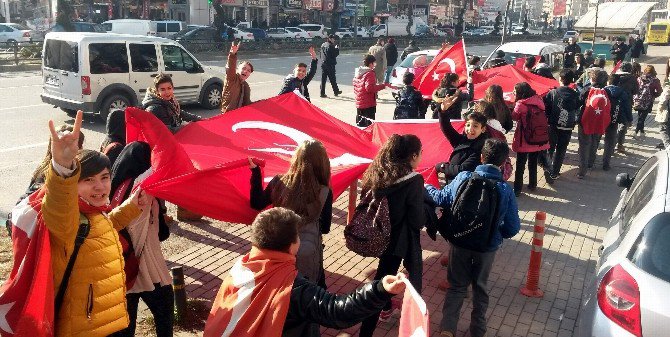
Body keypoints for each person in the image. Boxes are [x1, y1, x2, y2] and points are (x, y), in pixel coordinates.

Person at [203, 208, 407, 337]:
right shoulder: (292, 287)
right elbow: (337, 312)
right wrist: (380, 289)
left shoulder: (240, 268)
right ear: (293, 245)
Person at [44, 111, 147, 336]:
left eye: (105, 177)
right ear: (73, 185)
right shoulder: (68, 220)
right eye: (88, 180)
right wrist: (62, 168)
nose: (100, 187)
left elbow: (105, 227)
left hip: (111, 321)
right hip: (86, 329)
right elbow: (58, 204)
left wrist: (131, 206)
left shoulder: (93, 214)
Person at [425, 138, 520, 337]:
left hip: (460, 242)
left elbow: (441, 198)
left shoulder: (463, 177)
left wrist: (426, 186)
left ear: (481, 157)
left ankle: (447, 330)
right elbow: (512, 228)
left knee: (457, 287)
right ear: (503, 164)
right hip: (486, 248)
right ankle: (477, 330)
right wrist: (494, 233)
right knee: (480, 289)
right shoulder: (505, 190)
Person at [358, 134, 425, 337]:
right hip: (396, 242)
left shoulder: (378, 172)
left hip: (378, 234)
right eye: (421, 153)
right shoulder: (413, 180)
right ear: (413, 156)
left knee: (383, 274)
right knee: (380, 285)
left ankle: (385, 309)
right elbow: (416, 220)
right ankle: (366, 330)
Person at [248, 140, 332, 290]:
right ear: (323, 164)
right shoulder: (325, 191)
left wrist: (255, 173)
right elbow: (325, 228)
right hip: (307, 253)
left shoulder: (278, 182)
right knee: (313, 292)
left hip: (278, 248)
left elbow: (256, 203)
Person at [109, 142, 174, 337]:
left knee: (125, 327)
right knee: (164, 314)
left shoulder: (118, 185)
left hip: (122, 269)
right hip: (146, 268)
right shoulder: (140, 188)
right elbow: (162, 167)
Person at [435, 95, 489, 181]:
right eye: (468, 125)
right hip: (452, 184)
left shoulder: (480, 148)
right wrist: (443, 111)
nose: (470, 129)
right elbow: (446, 128)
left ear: (483, 129)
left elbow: (462, 170)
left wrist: (442, 166)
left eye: (475, 126)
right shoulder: (461, 140)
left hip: (464, 188)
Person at [511, 82, 550, 196]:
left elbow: (514, 117)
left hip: (524, 140)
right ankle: (533, 185)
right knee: (532, 163)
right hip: (537, 140)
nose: (514, 93)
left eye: (515, 91)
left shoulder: (521, 104)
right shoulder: (539, 101)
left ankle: (517, 189)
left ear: (520, 93)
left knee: (520, 165)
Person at [544, 69, 579, 179]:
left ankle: (547, 169)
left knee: (550, 148)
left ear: (560, 79)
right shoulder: (576, 95)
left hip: (553, 125)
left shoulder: (552, 93)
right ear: (571, 80)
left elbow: (546, 109)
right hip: (567, 127)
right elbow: (577, 108)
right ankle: (555, 172)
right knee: (561, 150)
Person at [577, 69, 609, 179]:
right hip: (599, 120)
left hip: (585, 120)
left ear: (592, 78)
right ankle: (591, 163)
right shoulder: (607, 91)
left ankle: (582, 171)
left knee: (584, 144)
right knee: (595, 141)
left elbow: (579, 100)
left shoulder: (587, 89)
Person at [602, 74, 634, 171]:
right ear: (619, 83)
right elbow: (627, 108)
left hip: (602, 119)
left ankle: (590, 162)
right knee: (610, 141)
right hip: (615, 119)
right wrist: (630, 119)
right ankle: (606, 164)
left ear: (608, 81)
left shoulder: (603, 90)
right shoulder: (622, 93)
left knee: (595, 140)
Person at [353, 54, 386, 127]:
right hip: (368, 103)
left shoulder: (358, 72)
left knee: (360, 125)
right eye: (374, 63)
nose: (375, 65)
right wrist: (382, 86)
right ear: (371, 63)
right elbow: (369, 88)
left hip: (359, 103)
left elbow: (355, 87)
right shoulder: (370, 73)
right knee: (369, 126)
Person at [221, 40, 254, 113]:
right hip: (227, 114)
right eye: (244, 68)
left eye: (248, 71)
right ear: (237, 69)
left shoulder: (246, 86)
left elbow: (247, 103)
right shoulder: (232, 78)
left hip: (239, 115)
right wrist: (233, 54)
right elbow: (230, 67)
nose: (246, 71)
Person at [633, 64, 662, 138]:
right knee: (642, 117)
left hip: (638, 100)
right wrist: (654, 95)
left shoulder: (639, 78)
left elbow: (636, 87)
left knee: (640, 116)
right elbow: (659, 91)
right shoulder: (655, 80)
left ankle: (642, 132)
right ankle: (636, 132)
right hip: (648, 101)